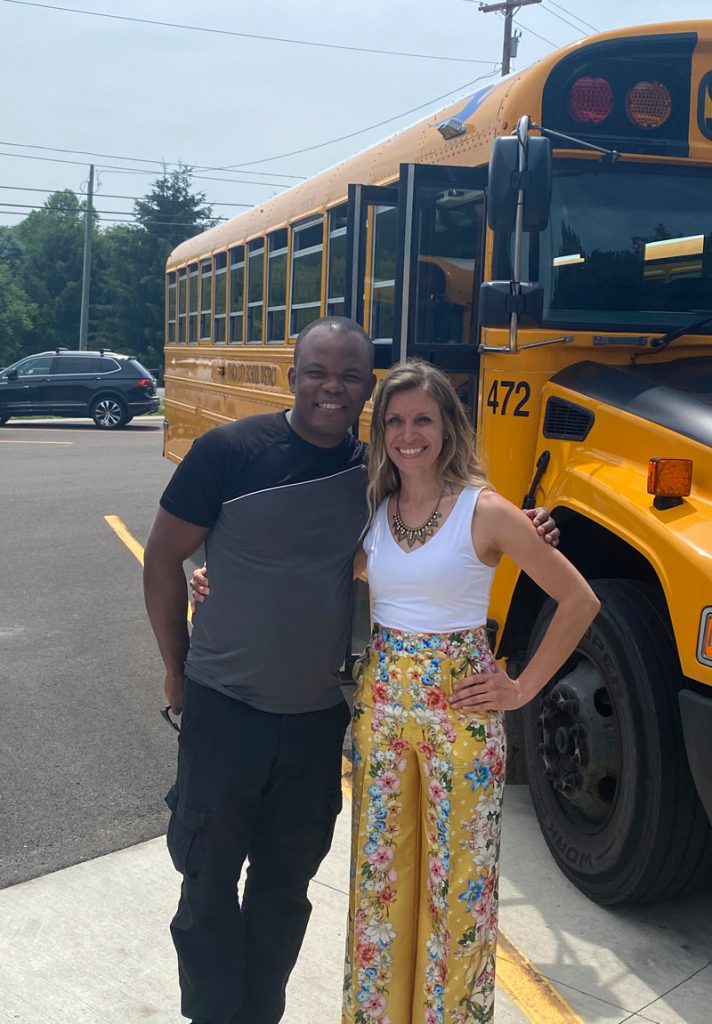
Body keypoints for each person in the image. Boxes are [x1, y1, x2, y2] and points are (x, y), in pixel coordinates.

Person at [145, 316, 559, 1024]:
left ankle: (258, 1013)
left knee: (285, 888)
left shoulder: (370, 476)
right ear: (292, 376)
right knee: (207, 881)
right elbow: (162, 558)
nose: (331, 388)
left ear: (365, 386)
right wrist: (178, 671)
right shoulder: (228, 452)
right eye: (317, 372)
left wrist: (520, 528)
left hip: (317, 721)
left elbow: (437, 522)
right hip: (224, 708)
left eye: (348, 376)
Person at [341, 360, 599, 1024]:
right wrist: (212, 585)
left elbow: (579, 599)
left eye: (422, 418)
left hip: (462, 721)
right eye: (395, 421)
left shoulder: (485, 511)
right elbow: (303, 573)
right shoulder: (375, 513)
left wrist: (522, 687)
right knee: (380, 888)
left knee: (459, 893)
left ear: (448, 426)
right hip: (382, 718)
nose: (408, 434)